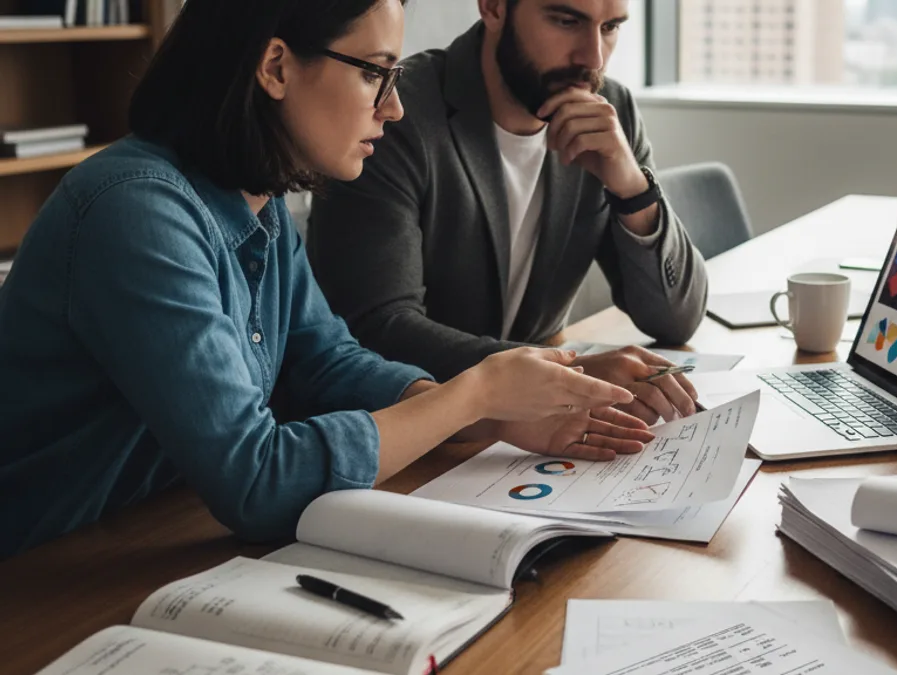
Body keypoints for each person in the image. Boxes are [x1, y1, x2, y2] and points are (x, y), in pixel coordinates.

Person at [0, 0, 657, 559]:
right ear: (277, 66)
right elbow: (256, 482)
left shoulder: (259, 200)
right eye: (376, 73)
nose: (395, 109)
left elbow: (325, 363)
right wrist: (476, 392)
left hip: (138, 535)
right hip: (39, 568)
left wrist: (489, 419)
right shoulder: (135, 210)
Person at [307, 0, 708, 425]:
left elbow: (675, 320)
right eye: (566, 21)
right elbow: (377, 328)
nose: (593, 57)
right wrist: (565, 373)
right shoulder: (394, 114)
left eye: (609, 28)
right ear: (494, 8)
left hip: (537, 433)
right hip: (412, 430)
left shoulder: (610, 113)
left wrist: (634, 191)